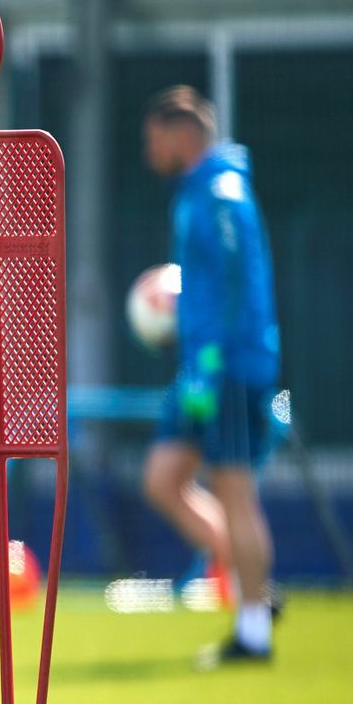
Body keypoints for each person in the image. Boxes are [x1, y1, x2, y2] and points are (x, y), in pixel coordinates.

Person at [140, 85, 281, 665]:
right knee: (162, 477)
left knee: (235, 490)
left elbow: (234, 289)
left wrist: (213, 364)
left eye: (153, 139)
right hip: (199, 367)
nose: (150, 152)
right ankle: (257, 587)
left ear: (180, 136)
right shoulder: (196, 193)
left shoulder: (223, 193)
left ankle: (254, 630)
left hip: (228, 370)